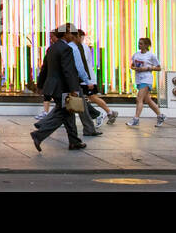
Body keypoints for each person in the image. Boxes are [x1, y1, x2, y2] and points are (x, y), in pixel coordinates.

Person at [31, 24, 85, 152]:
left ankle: (74, 142)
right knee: (63, 114)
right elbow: (68, 71)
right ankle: (38, 134)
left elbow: (44, 68)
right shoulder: (66, 49)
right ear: (66, 34)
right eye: (72, 33)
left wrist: (40, 85)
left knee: (68, 114)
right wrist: (73, 89)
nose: (73, 36)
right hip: (63, 88)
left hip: (53, 87)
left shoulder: (52, 48)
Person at [76, 30, 117, 124]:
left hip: (86, 78)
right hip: (85, 78)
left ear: (81, 37)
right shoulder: (81, 47)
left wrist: (86, 79)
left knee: (91, 97)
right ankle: (109, 112)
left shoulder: (83, 48)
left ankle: (106, 113)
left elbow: (83, 62)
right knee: (88, 98)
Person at [127, 36, 165, 127]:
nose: (139, 45)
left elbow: (159, 68)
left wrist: (147, 68)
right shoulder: (136, 54)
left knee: (139, 99)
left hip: (146, 79)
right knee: (148, 100)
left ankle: (136, 118)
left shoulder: (151, 55)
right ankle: (160, 115)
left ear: (146, 45)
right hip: (139, 79)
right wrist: (134, 68)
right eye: (139, 43)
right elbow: (132, 65)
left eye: (141, 44)